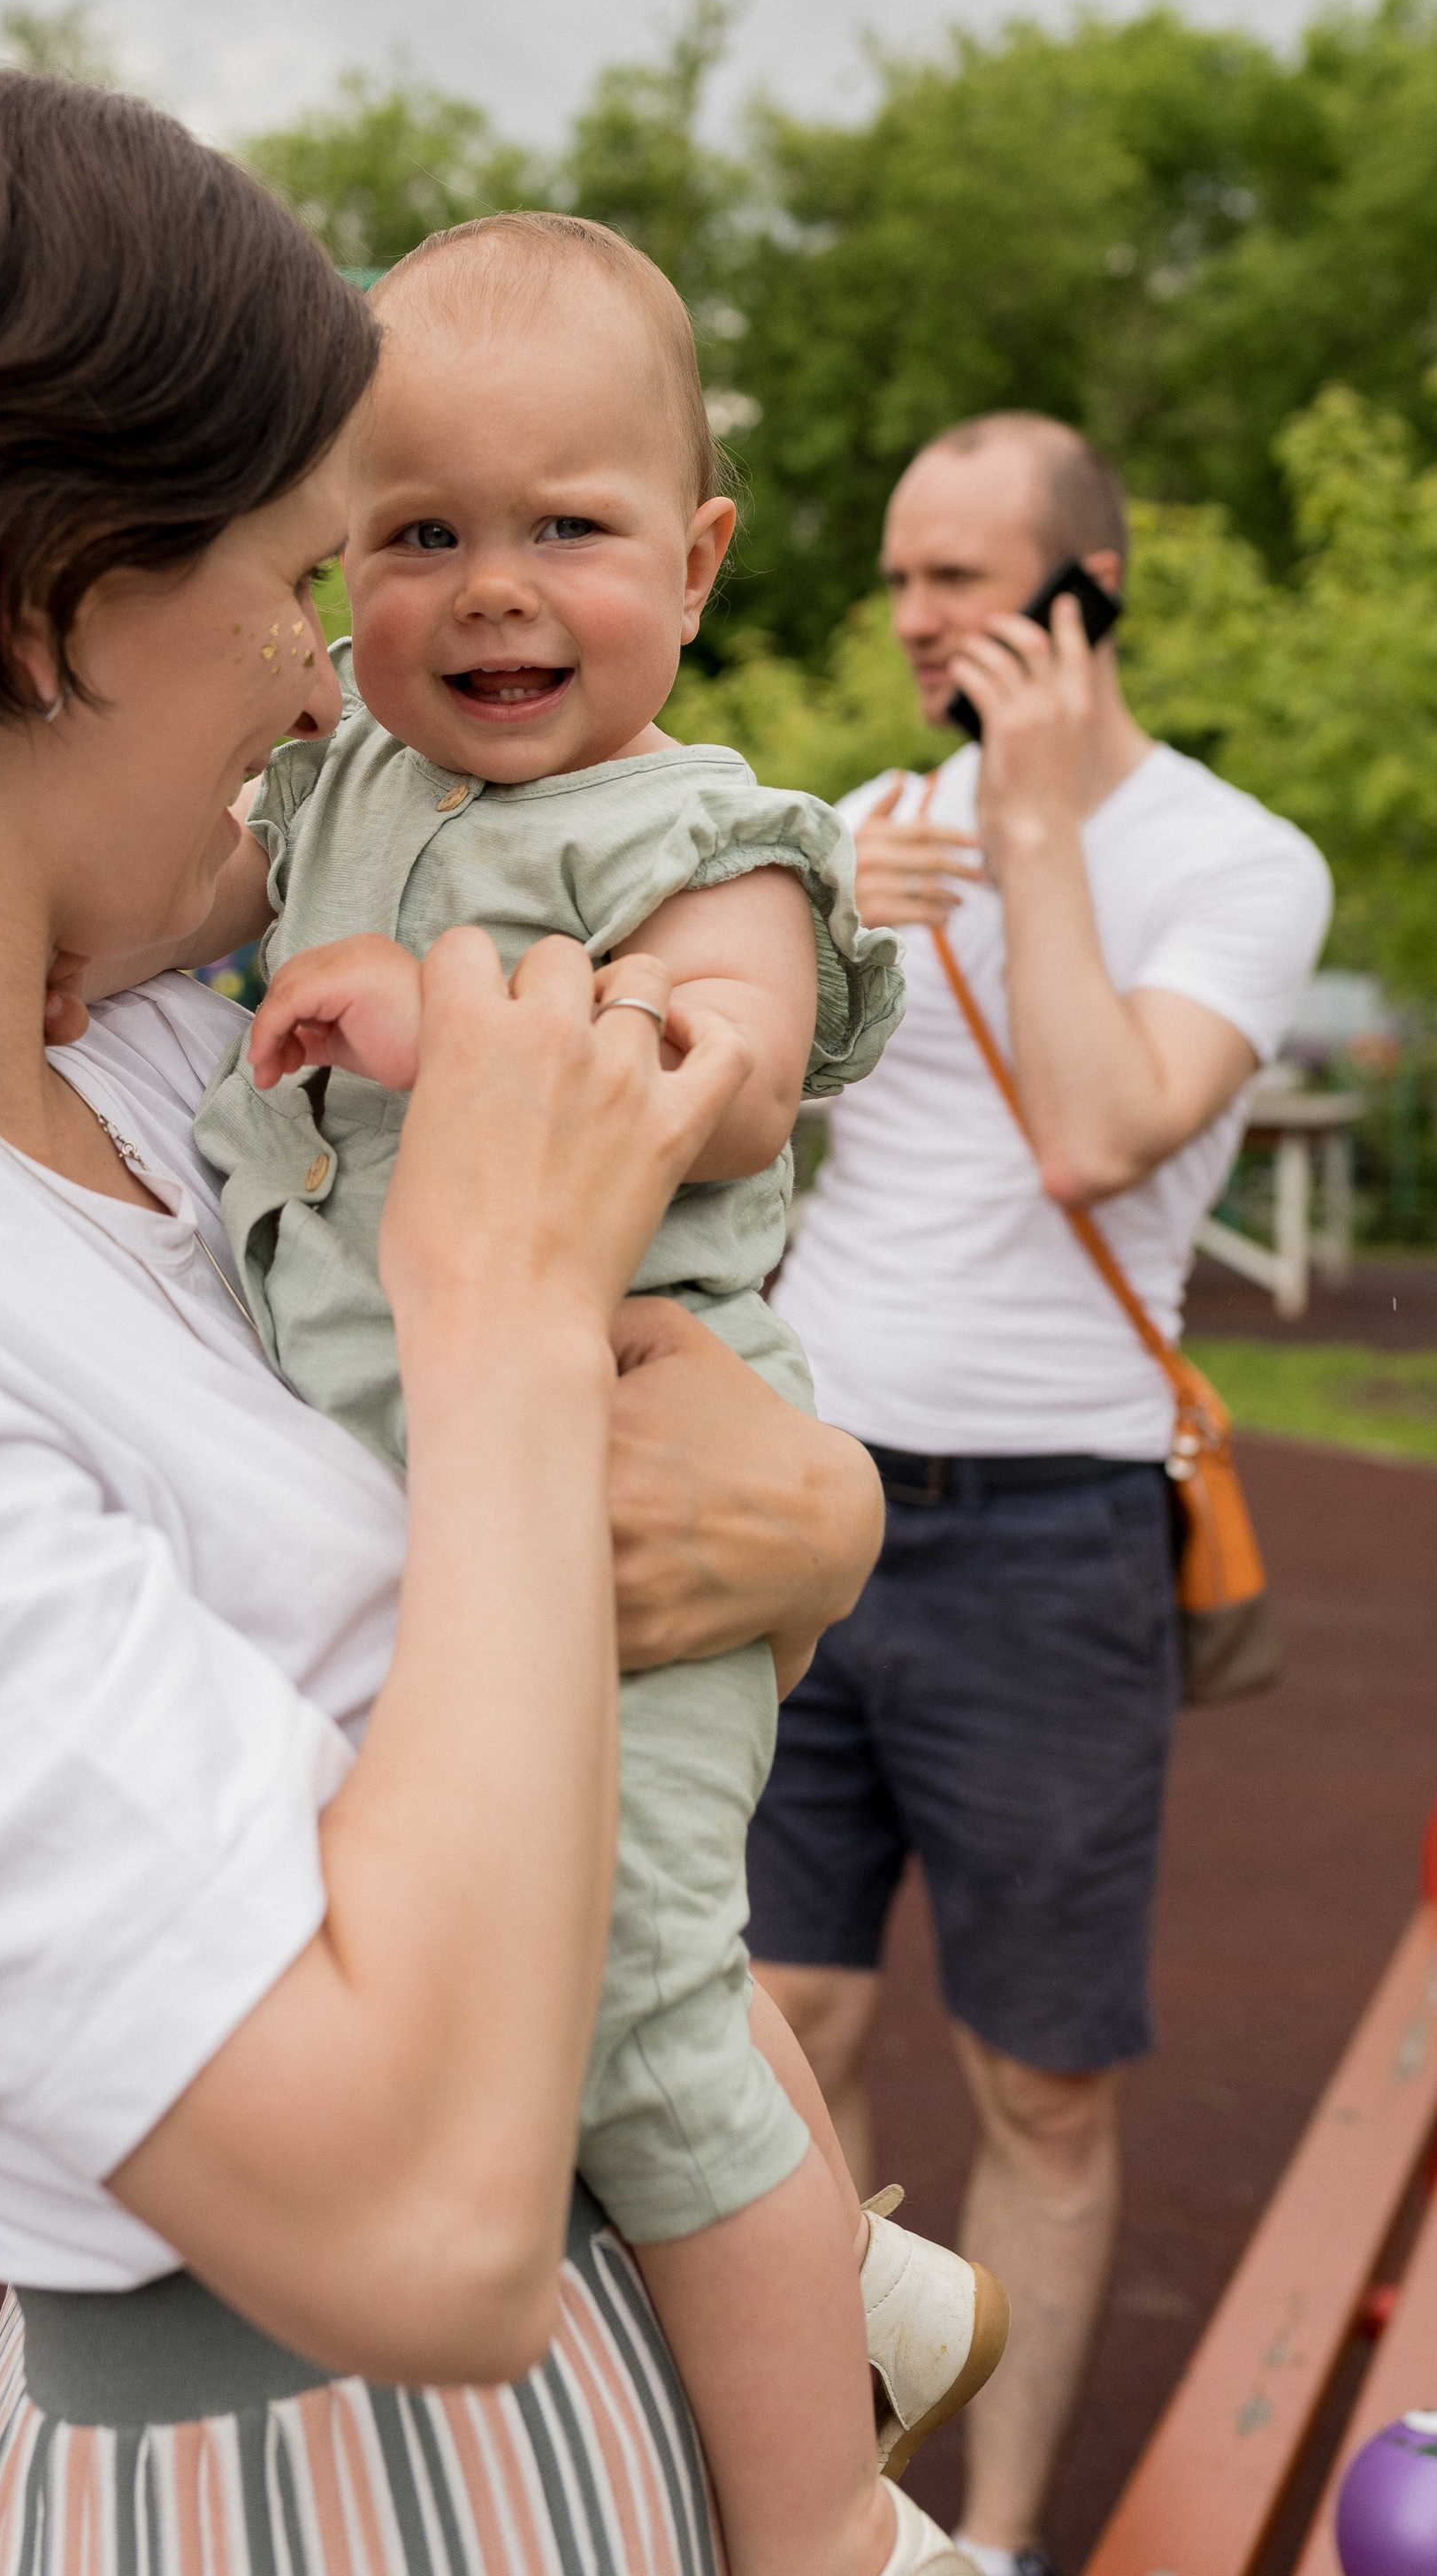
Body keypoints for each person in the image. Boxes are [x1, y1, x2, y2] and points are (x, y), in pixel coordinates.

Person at [0, 70, 891, 2576]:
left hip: (598, 2383)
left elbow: (647, 1510)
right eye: (286, 575)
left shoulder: (128, 1032)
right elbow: (416, 2229)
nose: (321, 671)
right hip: (342, 2477)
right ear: (53, 611)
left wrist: (814, 1518)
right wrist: (509, 1324)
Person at [75, 208, 1002, 2576]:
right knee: (551, 1939)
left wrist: (463, 1021)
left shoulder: (701, 839)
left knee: (629, 2007)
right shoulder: (336, 802)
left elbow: (727, 1066)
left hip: (629, 1494)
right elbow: (170, 912)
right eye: (418, 536)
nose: (494, 592)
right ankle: (865, 2283)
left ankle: (829, 2525)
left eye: (566, 531)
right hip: (450, 1529)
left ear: (690, 564)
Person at [750, 412, 1334, 2576]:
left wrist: (1030, 839)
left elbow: (1097, 1129)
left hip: (1049, 1526)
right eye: (896, 578)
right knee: (770, 2027)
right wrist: (812, 934)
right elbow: (701, 1141)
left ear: (1083, 597)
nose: (912, 622)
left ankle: (989, 2537)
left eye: (960, 584)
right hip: (801, 1489)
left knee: (1036, 2079)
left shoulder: (1233, 861)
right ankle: (821, 2486)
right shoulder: (851, 830)